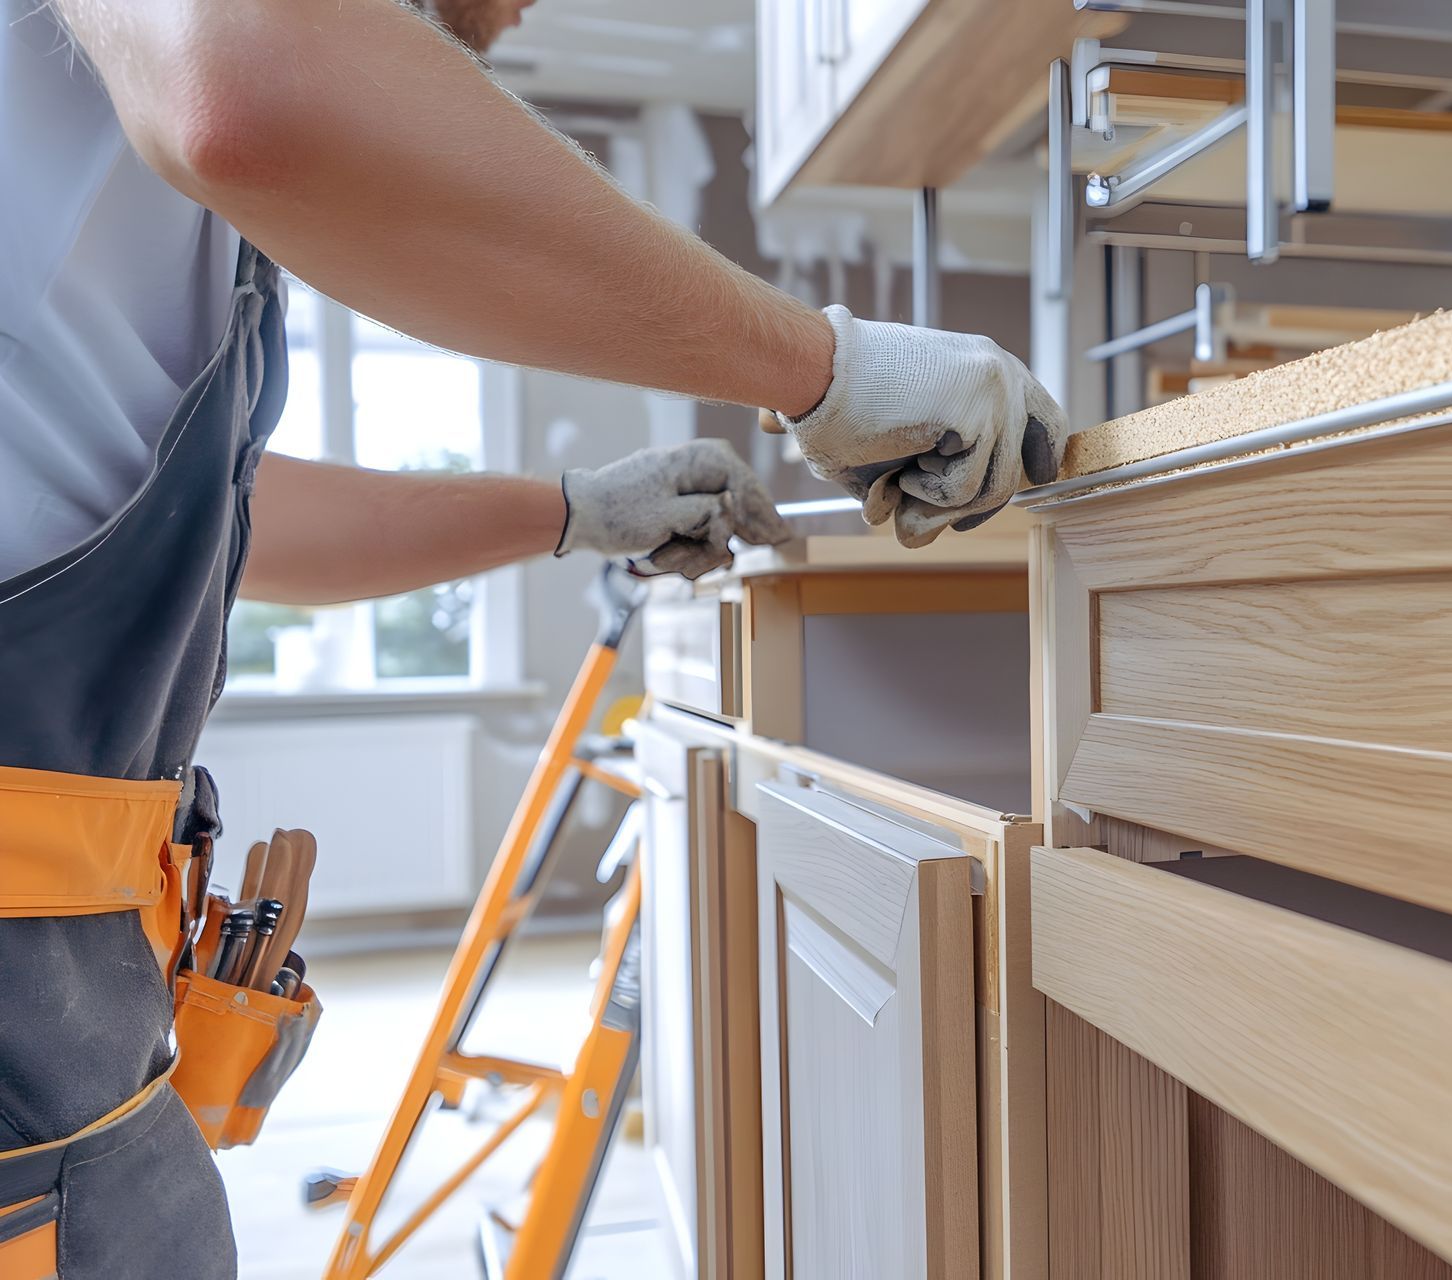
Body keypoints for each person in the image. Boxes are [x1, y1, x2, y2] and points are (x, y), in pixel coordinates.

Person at [0, 0, 1067, 1274]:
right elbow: (257, 90)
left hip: (71, 983)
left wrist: (570, 511)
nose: (520, 11)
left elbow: (206, 517)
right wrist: (823, 366)